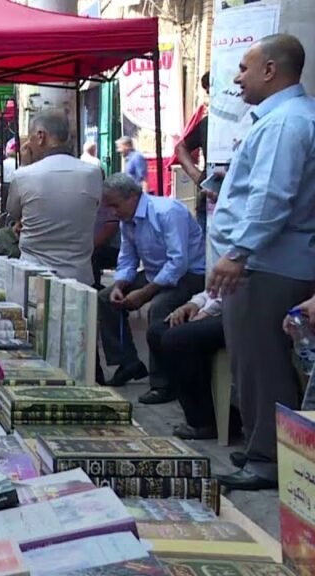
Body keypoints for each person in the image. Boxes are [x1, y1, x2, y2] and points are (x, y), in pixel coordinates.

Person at [208, 34, 315, 491]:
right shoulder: (284, 119)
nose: (237, 78)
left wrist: (238, 253)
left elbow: (271, 197)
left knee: (260, 363)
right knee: (257, 361)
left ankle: (267, 459)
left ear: (271, 70)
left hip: (267, 265)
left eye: (244, 68)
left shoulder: (286, 123)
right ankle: (262, 445)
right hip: (270, 262)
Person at [97, 173, 206, 394]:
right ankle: (127, 361)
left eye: (115, 206)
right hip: (154, 273)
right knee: (105, 298)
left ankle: (163, 382)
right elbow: (127, 258)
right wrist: (120, 284)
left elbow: (178, 262)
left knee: (159, 308)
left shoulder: (166, 212)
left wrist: (146, 292)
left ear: (132, 197)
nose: (113, 212)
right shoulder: (127, 222)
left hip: (190, 274)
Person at [7, 109, 102, 286]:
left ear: (41, 136)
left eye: (31, 138)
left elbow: (14, 213)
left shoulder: (24, 175)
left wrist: (25, 165)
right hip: (79, 278)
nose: (29, 144)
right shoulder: (93, 173)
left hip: (33, 276)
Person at [148, 292, 227, 440]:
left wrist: (207, 312)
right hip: (211, 308)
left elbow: (232, 294)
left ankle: (203, 421)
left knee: (177, 339)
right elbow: (210, 291)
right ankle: (207, 408)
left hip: (232, 313)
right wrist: (192, 304)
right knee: (157, 331)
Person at [175, 72, 211, 232]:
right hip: (208, 201)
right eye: (209, 92)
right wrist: (197, 175)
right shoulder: (207, 123)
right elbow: (180, 147)